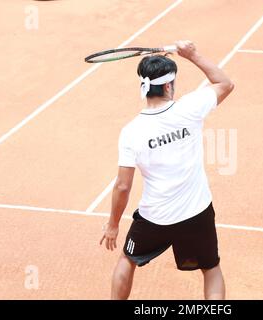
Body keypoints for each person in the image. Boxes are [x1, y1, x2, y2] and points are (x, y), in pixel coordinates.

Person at [99, 40, 235, 300]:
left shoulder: (131, 132)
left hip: (155, 217)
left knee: (128, 260)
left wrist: (113, 225)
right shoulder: (190, 108)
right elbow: (225, 83)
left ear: (143, 86)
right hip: (197, 211)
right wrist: (193, 55)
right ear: (170, 85)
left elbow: (123, 186)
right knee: (211, 268)